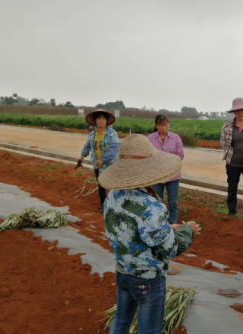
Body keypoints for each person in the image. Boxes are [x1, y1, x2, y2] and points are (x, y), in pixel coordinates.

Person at [98, 134, 201, 334]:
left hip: (123, 273)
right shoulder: (151, 206)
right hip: (148, 281)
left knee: (120, 321)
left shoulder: (112, 197)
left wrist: (166, 228)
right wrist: (188, 231)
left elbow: (130, 231)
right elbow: (169, 249)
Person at [79, 109, 120, 213]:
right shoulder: (92, 135)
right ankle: (103, 207)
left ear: (106, 121)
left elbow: (115, 149)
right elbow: (87, 146)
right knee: (101, 186)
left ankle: (115, 208)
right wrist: (82, 156)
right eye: (98, 118)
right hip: (97, 165)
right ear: (95, 121)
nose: (101, 121)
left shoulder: (112, 133)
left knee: (111, 186)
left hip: (110, 165)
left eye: (103, 118)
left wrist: (103, 159)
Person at [147, 115, 184, 224]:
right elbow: (147, 155)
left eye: (166, 124)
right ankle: (158, 223)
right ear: (156, 125)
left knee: (173, 202)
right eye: (161, 125)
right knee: (157, 201)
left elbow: (180, 155)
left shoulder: (176, 138)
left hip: (173, 175)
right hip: (156, 176)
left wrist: (165, 158)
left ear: (168, 125)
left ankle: (173, 223)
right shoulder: (150, 138)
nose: (164, 127)